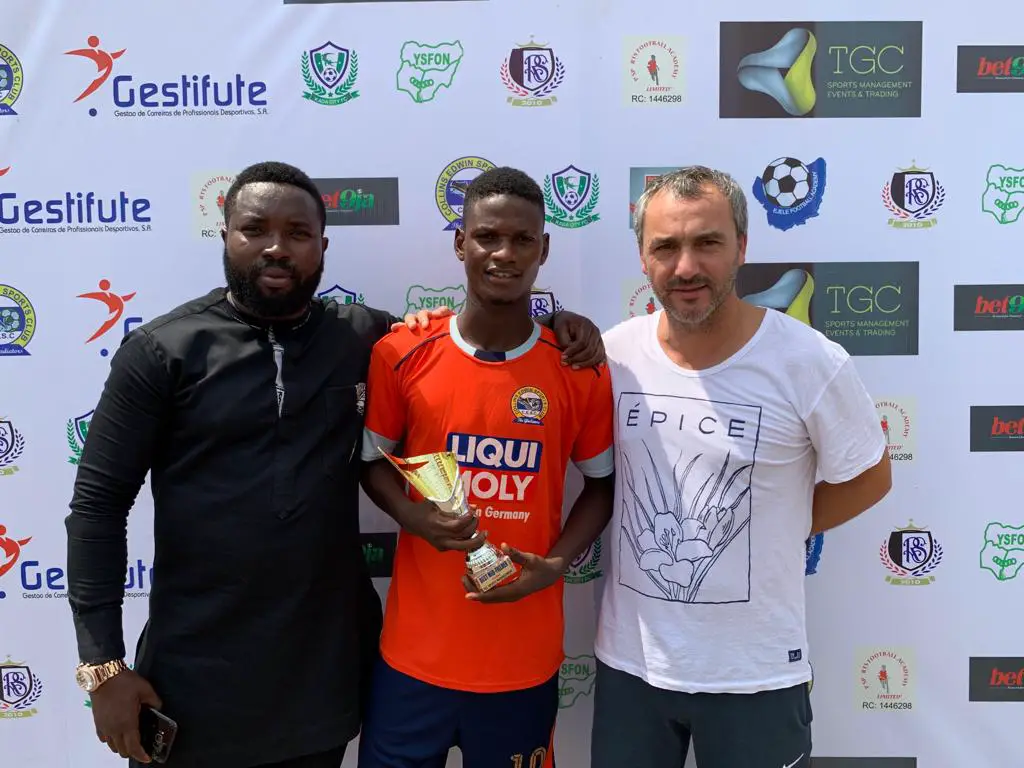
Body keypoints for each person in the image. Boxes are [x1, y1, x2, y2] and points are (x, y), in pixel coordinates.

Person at [65, 160, 605, 768]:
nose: (276, 247)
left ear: (323, 247)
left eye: (298, 233)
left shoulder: (363, 338)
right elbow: (97, 509)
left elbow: (478, 336)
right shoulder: (162, 351)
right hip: (195, 678)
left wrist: (561, 326)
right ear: (226, 235)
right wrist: (102, 665)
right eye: (254, 229)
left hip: (322, 683)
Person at [592, 166, 892, 768]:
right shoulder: (614, 354)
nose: (686, 267)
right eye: (666, 247)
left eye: (707, 242)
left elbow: (870, 477)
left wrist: (774, 523)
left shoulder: (809, 360)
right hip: (633, 668)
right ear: (643, 257)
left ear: (742, 247)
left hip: (755, 673)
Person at [357, 167, 616, 768]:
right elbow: (370, 465)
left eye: (522, 240)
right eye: (487, 237)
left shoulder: (578, 368)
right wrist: (414, 519)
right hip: (413, 660)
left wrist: (556, 565)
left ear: (543, 249)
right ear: (460, 243)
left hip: (521, 664)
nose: (504, 253)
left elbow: (601, 487)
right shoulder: (401, 353)